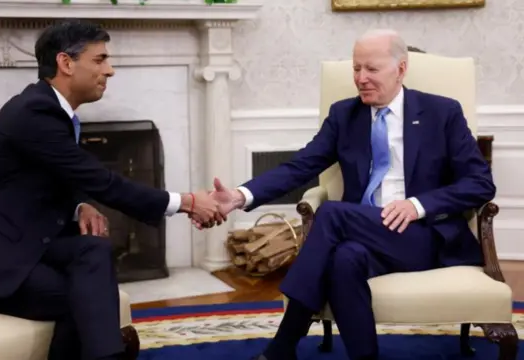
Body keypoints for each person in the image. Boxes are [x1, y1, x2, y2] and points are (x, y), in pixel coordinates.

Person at [0, 20, 223, 360]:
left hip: (15, 244)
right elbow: (102, 180)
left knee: (94, 251)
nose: (111, 70)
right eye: (100, 59)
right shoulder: (34, 112)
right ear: (66, 63)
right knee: (85, 298)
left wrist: (78, 206)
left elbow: (47, 175)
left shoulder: (51, 111)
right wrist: (188, 202)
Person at [198, 29, 496, 360]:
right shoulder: (345, 115)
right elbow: (300, 166)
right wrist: (240, 197)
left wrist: (417, 205)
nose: (361, 79)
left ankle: (283, 345)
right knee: (344, 259)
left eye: (372, 69)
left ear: (401, 68)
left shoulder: (441, 113)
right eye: (356, 69)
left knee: (332, 213)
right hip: (365, 233)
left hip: (424, 236)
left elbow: (480, 183)